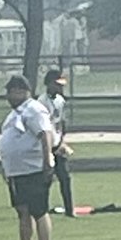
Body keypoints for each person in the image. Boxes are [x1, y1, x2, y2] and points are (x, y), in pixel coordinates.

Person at [0, 74, 56, 240]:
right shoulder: (14, 114)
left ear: (23, 92)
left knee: (39, 210)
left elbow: (45, 134)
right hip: (17, 171)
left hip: (34, 169)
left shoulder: (34, 110)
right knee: (22, 210)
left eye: (12, 92)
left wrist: (47, 160)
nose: (9, 96)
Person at [38, 68, 74, 217]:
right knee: (45, 180)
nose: (60, 88)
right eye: (57, 84)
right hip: (46, 146)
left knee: (65, 178)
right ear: (49, 84)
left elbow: (61, 122)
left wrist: (62, 141)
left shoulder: (60, 101)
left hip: (58, 145)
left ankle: (70, 210)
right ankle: (42, 210)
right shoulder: (41, 103)